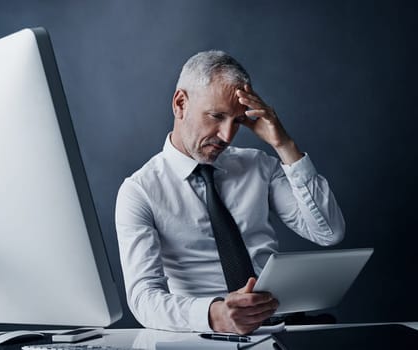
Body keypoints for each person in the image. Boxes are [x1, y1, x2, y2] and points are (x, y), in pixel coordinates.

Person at [115, 50, 345, 334]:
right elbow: (143, 298)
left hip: (279, 327)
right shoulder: (140, 191)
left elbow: (328, 233)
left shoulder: (259, 166)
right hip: (204, 335)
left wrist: (284, 144)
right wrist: (215, 314)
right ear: (180, 104)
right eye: (216, 116)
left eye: (237, 121)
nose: (227, 135)